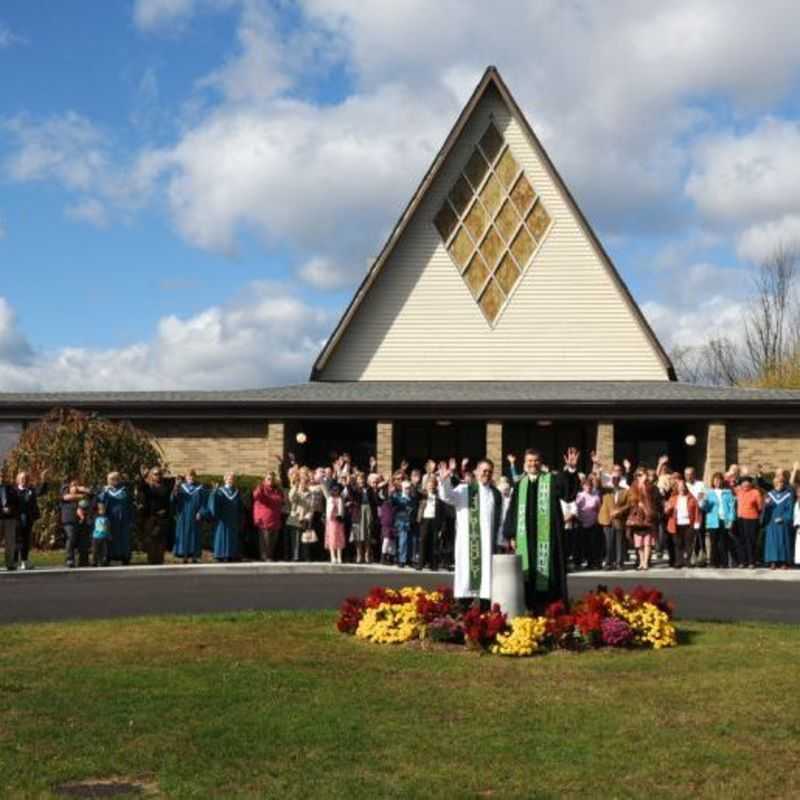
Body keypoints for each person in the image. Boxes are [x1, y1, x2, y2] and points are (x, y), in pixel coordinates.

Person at [502, 448, 580, 609]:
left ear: (541, 462)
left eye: (536, 460)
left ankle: (550, 608)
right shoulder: (519, 485)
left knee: (549, 572)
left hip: (548, 538)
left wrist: (571, 470)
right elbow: (512, 510)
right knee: (527, 572)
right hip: (526, 539)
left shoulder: (552, 480)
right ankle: (529, 607)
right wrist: (511, 535)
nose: (533, 464)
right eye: (529, 460)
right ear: (524, 463)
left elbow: (569, 494)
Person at [439, 458, 503, 608]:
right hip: (469, 545)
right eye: (483, 471)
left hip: (487, 546)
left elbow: (500, 519)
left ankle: (485, 616)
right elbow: (447, 496)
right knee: (467, 582)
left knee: (487, 585)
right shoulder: (465, 490)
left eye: (489, 471)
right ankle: (463, 614)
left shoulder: (496, 494)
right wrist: (444, 481)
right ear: (476, 472)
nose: (486, 474)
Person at [139, 466, 175, 565]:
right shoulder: (148, 486)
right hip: (150, 517)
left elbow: (172, 481)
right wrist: (144, 476)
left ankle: (159, 559)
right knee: (150, 539)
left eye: (159, 474)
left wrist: (165, 511)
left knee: (160, 539)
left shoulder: (165, 486)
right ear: (151, 475)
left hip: (162, 517)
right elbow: (141, 488)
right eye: (155, 474)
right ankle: (151, 559)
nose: (158, 476)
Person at [97, 472, 135, 565]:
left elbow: (130, 505)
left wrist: (131, 519)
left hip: (124, 518)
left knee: (124, 538)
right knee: (110, 538)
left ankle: (125, 557)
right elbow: (100, 501)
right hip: (110, 518)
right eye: (110, 479)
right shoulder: (105, 491)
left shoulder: (124, 490)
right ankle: (108, 557)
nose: (111, 481)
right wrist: (104, 492)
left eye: (114, 479)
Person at [626, 470, 660, 571]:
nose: (640, 477)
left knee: (647, 543)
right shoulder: (633, 486)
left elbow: (653, 500)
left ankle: (646, 563)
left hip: (648, 518)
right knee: (639, 544)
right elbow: (631, 500)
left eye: (642, 475)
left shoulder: (651, 487)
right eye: (638, 475)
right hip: (638, 519)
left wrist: (644, 487)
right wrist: (637, 503)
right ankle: (641, 562)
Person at [14, 470, 48, 570]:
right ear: (18, 480)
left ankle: (24, 560)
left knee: (25, 540)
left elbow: (41, 491)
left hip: (28, 518)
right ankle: (15, 561)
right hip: (16, 518)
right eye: (22, 479)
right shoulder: (14, 490)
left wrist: (43, 479)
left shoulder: (31, 490)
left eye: (25, 479)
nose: (24, 480)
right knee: (16, 540)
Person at [173, 469, 208, 563]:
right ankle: (184, 556)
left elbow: (204, 503)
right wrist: (176, 486)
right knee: (184, 534)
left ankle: (194, 556)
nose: (191, 478)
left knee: (195, 535)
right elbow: (173, 499)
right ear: (186, 478)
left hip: (195, 515)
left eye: (192, 476)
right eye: (189, 476)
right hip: (184, 515)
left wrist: (200, 512)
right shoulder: (181, 488)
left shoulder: (200, 488)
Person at [665, 478, 701, 569]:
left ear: (686, 487)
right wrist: (667, 509)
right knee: (678, 544)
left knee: (688, 543)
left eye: (683, 486)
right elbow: (667, 512)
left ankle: (688, 561)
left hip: (689, 523)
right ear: (677, 488)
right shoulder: (673, 498)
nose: (681, 488)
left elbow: (697, 511)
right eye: (680, 487)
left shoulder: (692, 498)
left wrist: (697, 522)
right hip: (676, 524)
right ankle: (679, 561)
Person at [597, 469, 629, 570]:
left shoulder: (624, 491)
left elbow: (629, 504)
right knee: (608, 543)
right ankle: (608, 563)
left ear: (620, 480)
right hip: (607, 519)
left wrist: (620, 511)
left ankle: (619, 563)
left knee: (619, 543)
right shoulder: (606, 490)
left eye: (617, 478)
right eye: (613, 478)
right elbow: (598, 485)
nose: (615, 480)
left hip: (619, 519)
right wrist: (598, 471)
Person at [208, 473, 244, 561]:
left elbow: (240, 506)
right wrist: (214, 493)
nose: (231, 480)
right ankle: (220, 555)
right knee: (221, 535)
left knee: (232, 536)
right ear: (225, 479)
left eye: (232, 479)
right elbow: (214, 503)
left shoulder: (237, 492)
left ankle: (231, 555)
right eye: (229, 478)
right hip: (223, 518)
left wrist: (240, 517)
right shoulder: (220, 491)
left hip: (233, 518)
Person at [762, 472, 794, 569]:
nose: (779, 484)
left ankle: (784, 562)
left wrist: (783, 518)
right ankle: (773, 562)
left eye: (781, 482)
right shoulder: (769, 494)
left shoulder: (788, 495)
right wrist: (766, 505)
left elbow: (790, 509)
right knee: (772, 542)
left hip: (782, 522)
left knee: (783, 541)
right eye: (777, 483)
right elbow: (765, 510)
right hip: (771, 523)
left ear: (784, 483)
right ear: (774, 484)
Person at [704, 472, 736, 568]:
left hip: (724, 520)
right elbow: (705, 508)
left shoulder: (728, 492)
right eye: (715, 480)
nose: (717, 481)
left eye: (719, 479)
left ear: (722, 481)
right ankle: (713, 563)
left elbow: (732, 507)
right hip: (713, 520)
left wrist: (731, 519)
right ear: (713, 482)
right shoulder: (709, 493)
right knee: (713, 543)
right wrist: (703, 502)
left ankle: (724, 563)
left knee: (723, 542)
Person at [252, 472, 285, 562]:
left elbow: (282, 500)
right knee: (265, 540)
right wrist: (260, 487)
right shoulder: (262, 489)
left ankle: (270, 556)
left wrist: (280, 488)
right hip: (264, 519)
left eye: (272, 479)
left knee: (273, 540)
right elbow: (256, 496)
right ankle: (265, 556)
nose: (271, 481)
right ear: (264, 480)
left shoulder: (277, 490)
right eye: (268, 479)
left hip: (275, 519)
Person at [416, 475, 446, 570]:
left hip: (435, 521)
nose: (431, 487)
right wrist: (417, 482)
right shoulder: (423, 495)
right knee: (423, 541)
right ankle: (420, 564)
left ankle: (433, 564)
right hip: (424, 520)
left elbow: (442, 513)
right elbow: (415, 491)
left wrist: (442, 527)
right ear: (426, 486)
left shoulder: (439, 497)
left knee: (434, 543)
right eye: (429, 485)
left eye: (432, 485)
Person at [60, 479, 92, 568]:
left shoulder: (84, 495)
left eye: (77, 485)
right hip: (69, 519)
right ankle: (70, 559)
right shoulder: (65, 493)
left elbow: (92, 494)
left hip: (83, 520)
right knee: (71, 538)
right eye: (73, 485)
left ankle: (84, 560)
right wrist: (82, 495)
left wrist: (84, 490)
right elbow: (66, 497)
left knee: (84, 540)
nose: (76, 487)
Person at [735, 474, 763, 568]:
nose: (745, 484)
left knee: (750, 540)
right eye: (743, 482)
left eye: (747, 482)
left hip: (752, 519)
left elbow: (760, 507)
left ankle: (752, 561)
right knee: (741, 540)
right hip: (740, 519)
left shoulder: (755, 492)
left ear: (751, 484)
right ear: (741, 484)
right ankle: (743, 561)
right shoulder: (738, 491)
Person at [575, 475, 602, 570]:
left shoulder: (596, 496)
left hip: (593, 523)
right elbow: (576, 509)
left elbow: (599, 509)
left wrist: (598, 520)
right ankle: (589, 563)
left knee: (594, 544)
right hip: (582, 523)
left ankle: (595, 563)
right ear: (583, 486)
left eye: (590, 485)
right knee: (586, 545)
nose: (588, 487)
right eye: (586, 486)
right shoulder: (579, 496)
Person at [345, 473, 372, 564]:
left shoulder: (369, 489)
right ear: (357, 480)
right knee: (357, 535)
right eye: (359, 479)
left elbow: (374, 501)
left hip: (368, 513)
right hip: (357, 513)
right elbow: (352, 495)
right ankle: (359, 555)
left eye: (362, 479)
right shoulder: (355, 489)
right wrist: (348, 483)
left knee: (367, 535)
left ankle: (367, 555)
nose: (361, 481)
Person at [391, 479, 417, 568]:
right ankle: (402, 560)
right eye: (406, 488)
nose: (408, 490)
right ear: (402, 488)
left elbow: (414, 509)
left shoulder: (412, 498)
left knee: (411, 541)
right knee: (403, 541)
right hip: (402, 522)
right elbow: (392, 502)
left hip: (411, 522)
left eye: (409, 488)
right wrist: (391, 493)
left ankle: (409, 559)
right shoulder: (398, 497)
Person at [0, 474, 20, 572]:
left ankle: (10, 563)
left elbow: (17, 502)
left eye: (2, 476)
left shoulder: (11, 489)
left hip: (10, 518)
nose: (1, 478)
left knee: (10, 543)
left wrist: (11, 509)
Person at [324, 482, 346, 564]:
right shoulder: (329, 498)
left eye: (337, 490)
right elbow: (323, 486)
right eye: (334, 490)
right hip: (331, 520)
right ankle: (333, 556)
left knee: (339, 538)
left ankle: (339, 556)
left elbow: (342, 509)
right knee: (332, 538)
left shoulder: (340, 498)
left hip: (339, 520)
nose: (335, 491)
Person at [91, 502, 111, 567]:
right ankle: (94, 561)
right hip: (96, 537)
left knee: (104, 550)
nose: (102, 511)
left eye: (103, 509)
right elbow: (92, 526)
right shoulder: (95, 517)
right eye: (100, 509)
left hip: (104, 537)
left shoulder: (106, 518)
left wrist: (109, 534)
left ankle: (103, 561)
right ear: (97, 510)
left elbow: (108, 527)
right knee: (95, 550)